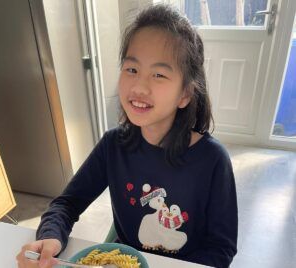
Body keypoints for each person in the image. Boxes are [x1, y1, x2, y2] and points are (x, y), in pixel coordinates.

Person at [16, 4, 238, 268]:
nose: (139, 86)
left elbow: (221, 248)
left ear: (185, 94)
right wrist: (50, 238)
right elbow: (66, 204)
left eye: (158, 74)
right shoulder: (113, 145)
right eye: (132, 69)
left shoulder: (213, 160)